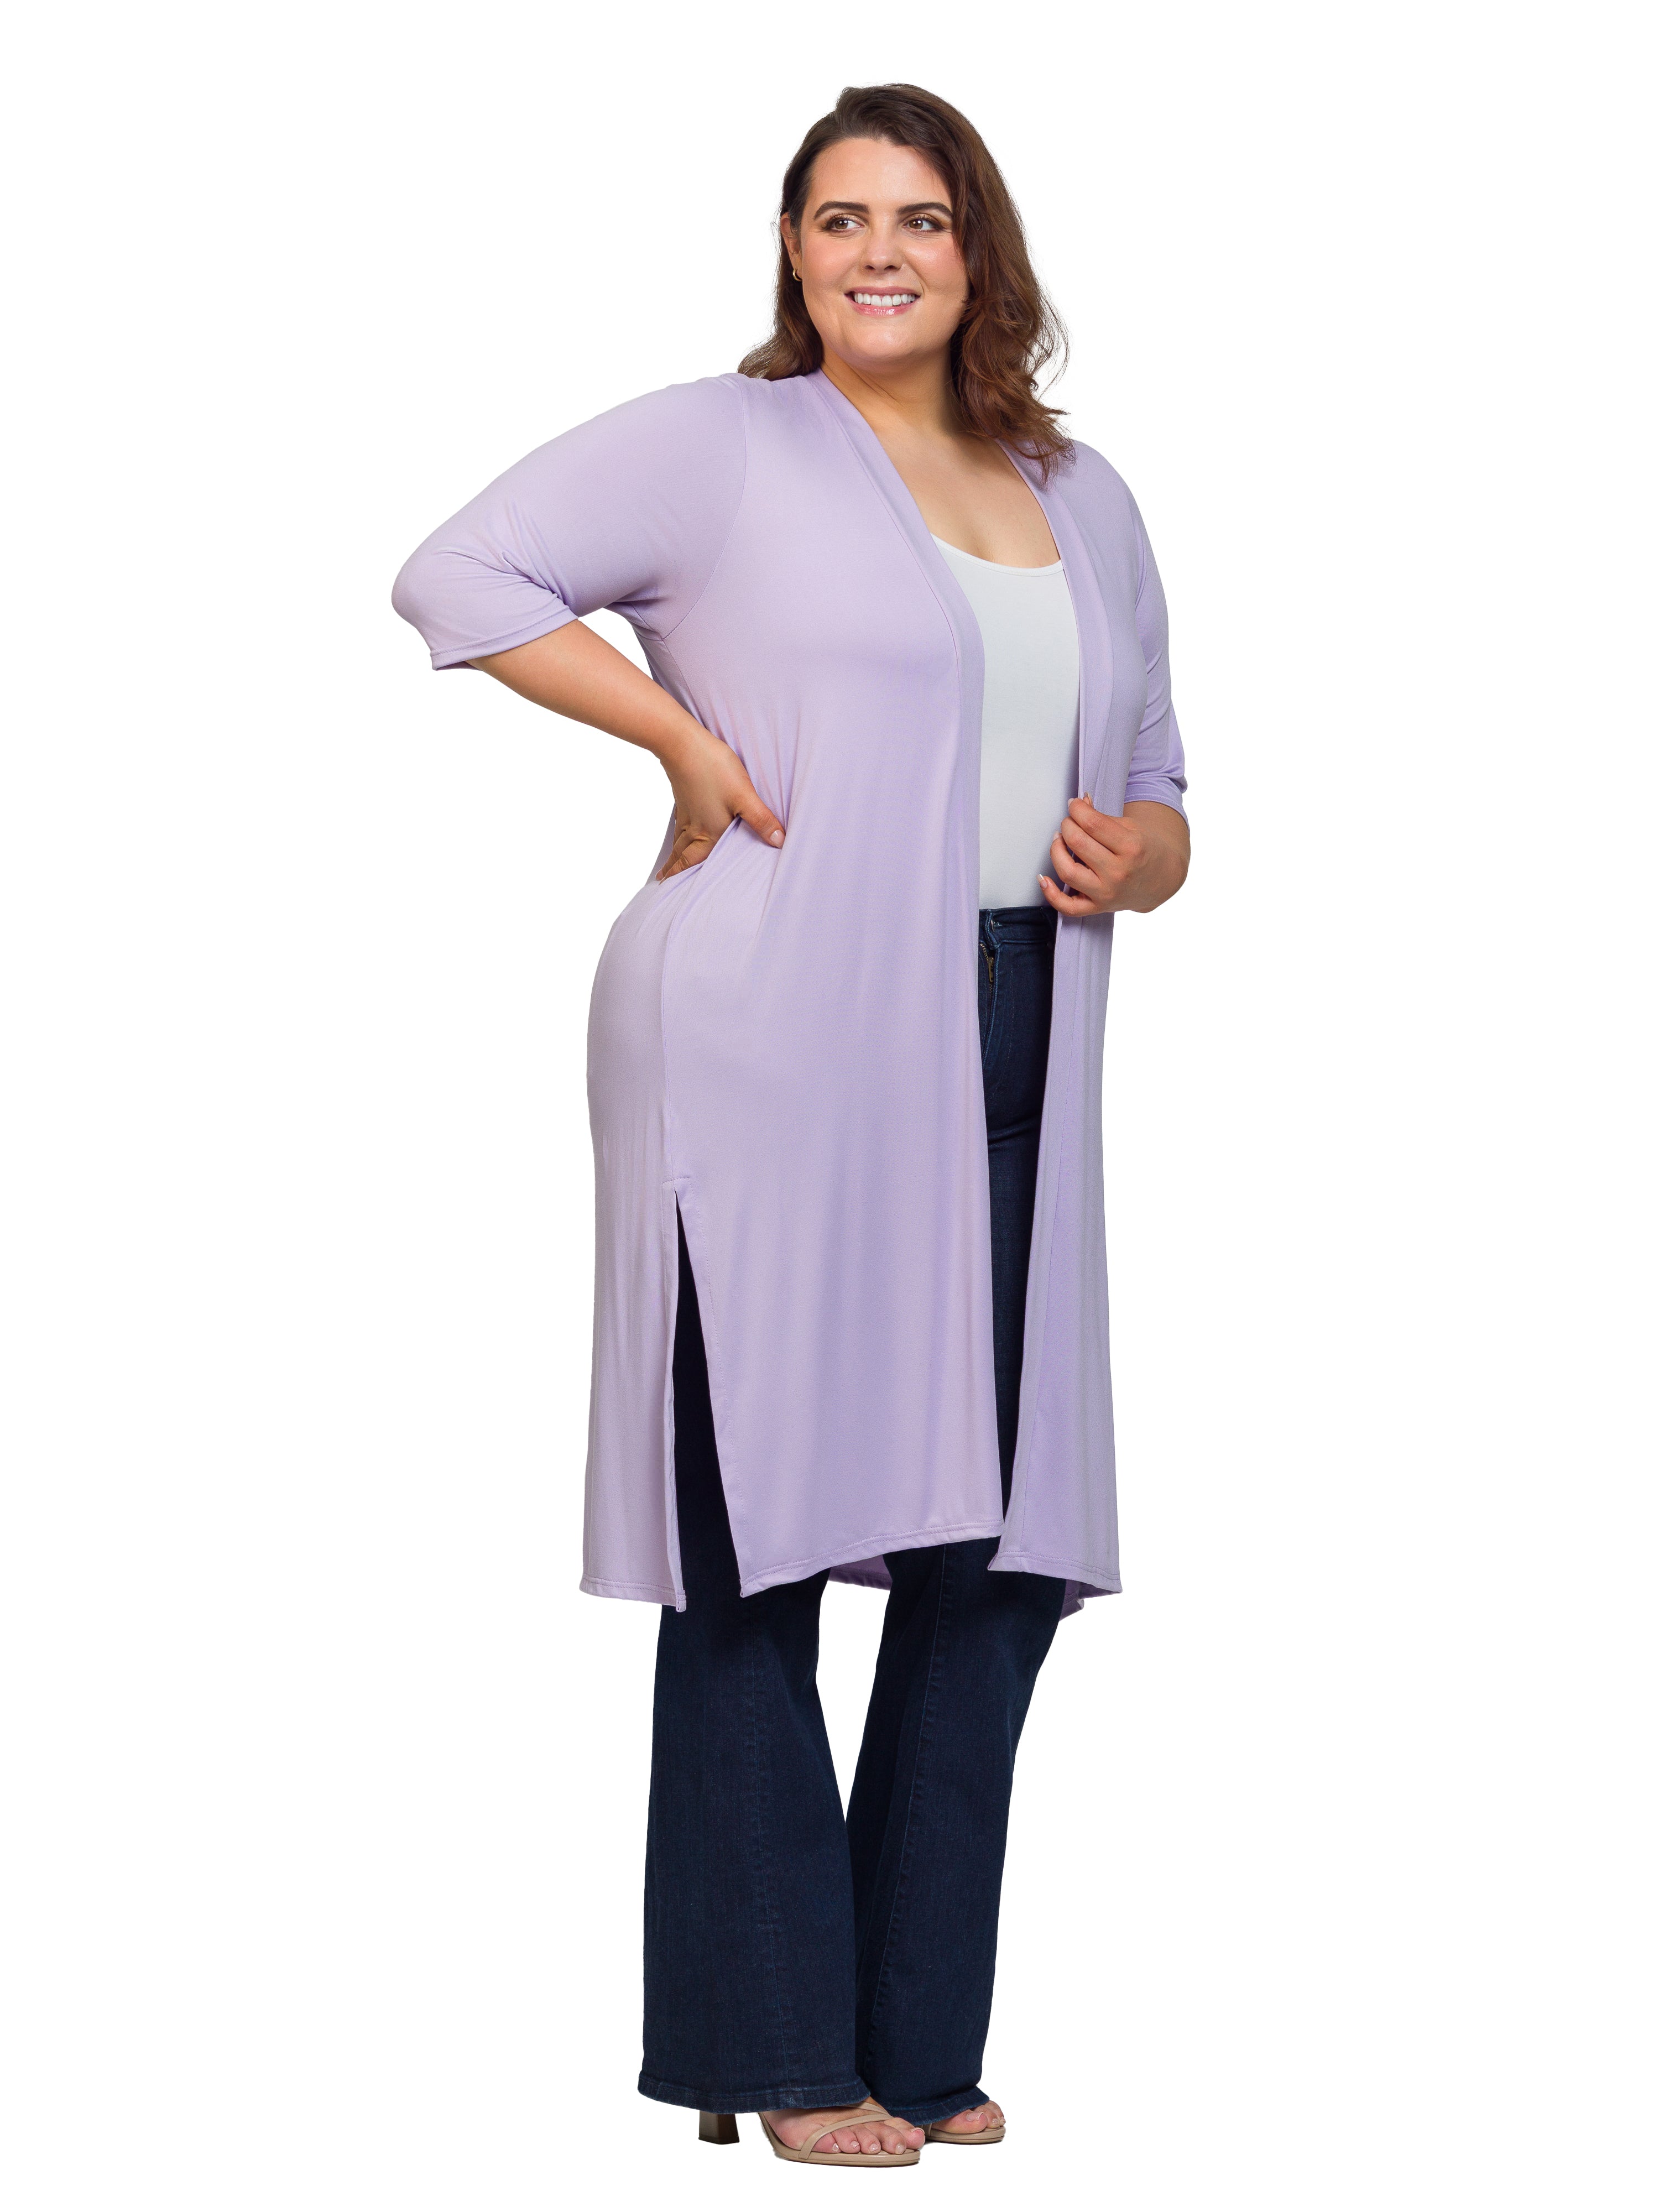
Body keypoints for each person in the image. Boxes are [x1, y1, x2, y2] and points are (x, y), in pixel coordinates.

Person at [392, 82, 1190, 2167]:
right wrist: (675, 736)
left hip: (1016, 1030)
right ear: (792, 247)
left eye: (917, 218)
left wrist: (1148, 853)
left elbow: (1164, 775)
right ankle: (773, 2045)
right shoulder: (727, 445)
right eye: (839, 218)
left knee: (992, 1554)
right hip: (769, 1034)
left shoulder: (1081, 490)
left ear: (977, 246)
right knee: (757, 1540)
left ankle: (912, 2038)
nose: (877, 253)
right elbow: (456, 572)